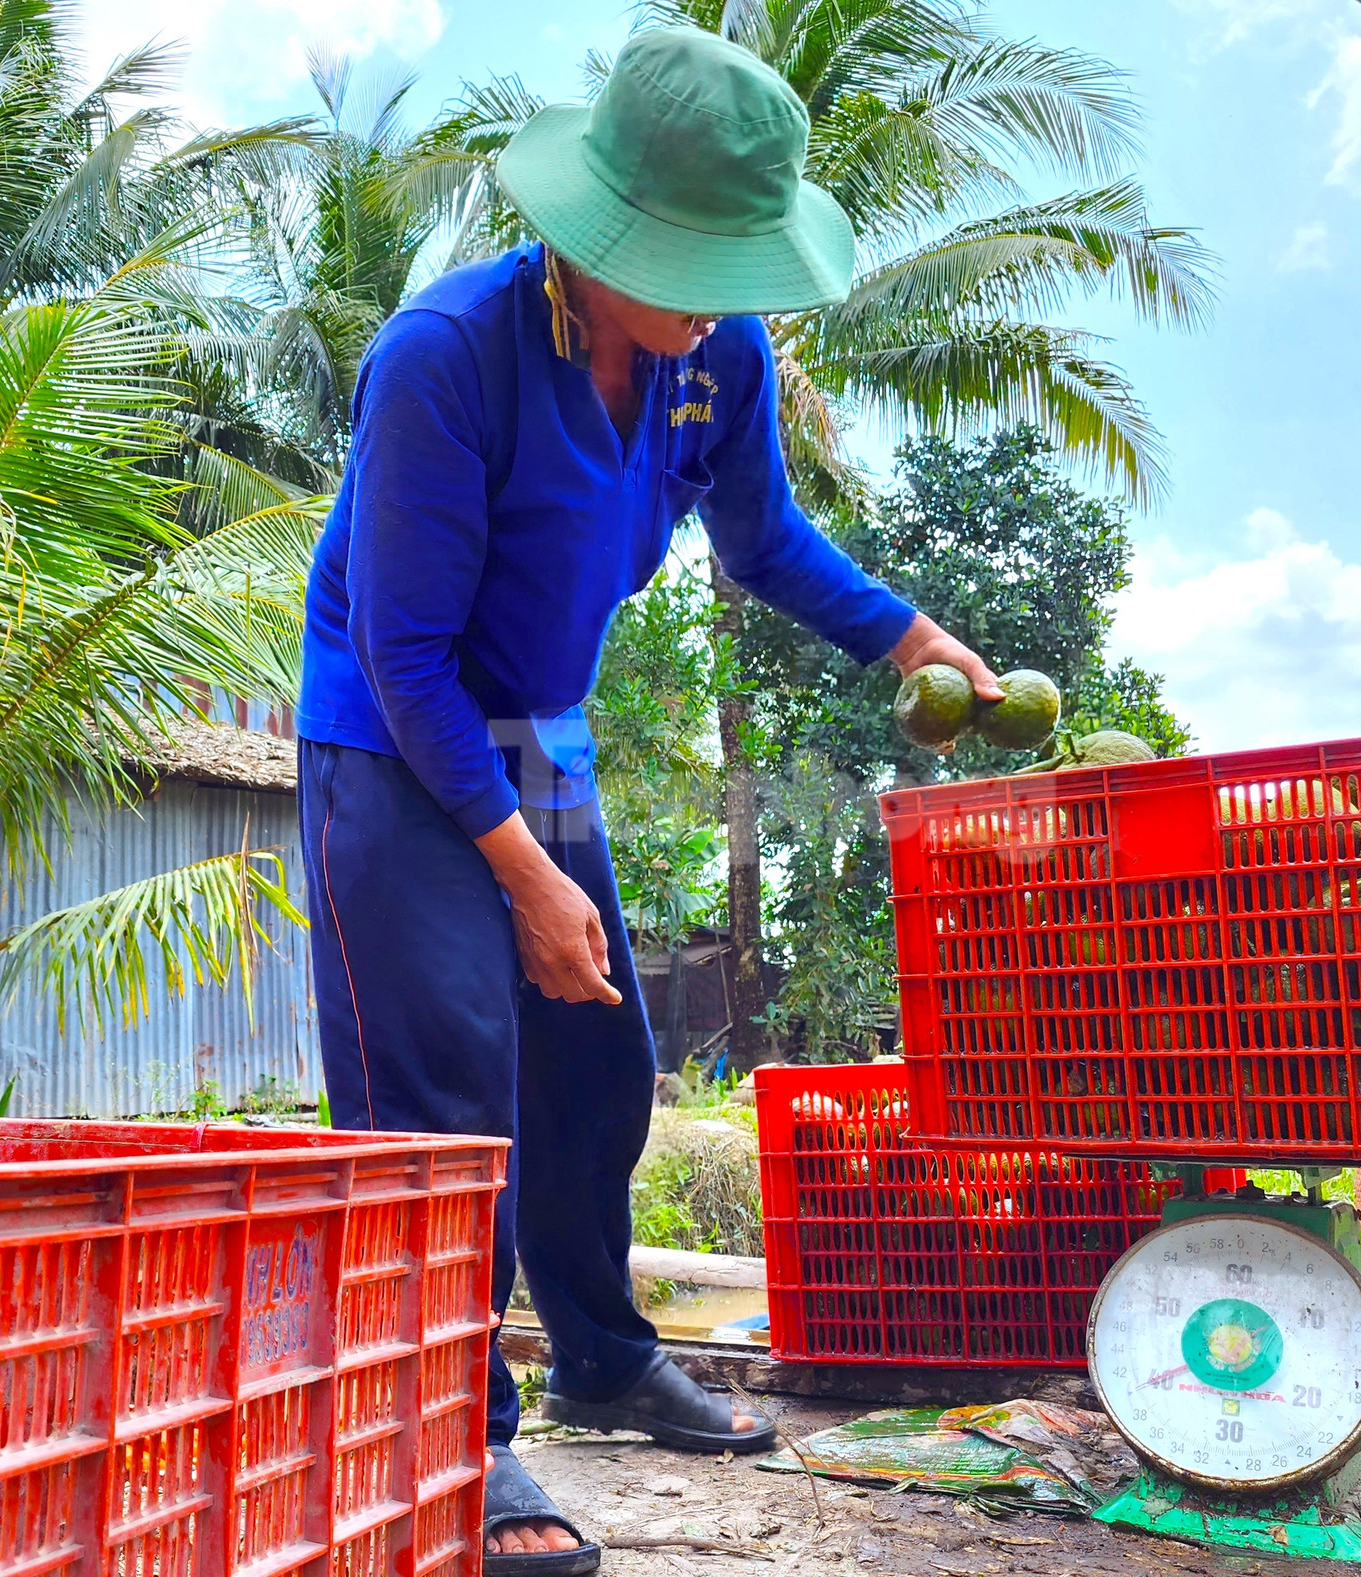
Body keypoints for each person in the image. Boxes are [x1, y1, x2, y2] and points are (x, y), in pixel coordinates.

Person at [295, 27, 1001, 1576]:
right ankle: (448, 1428)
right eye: (695, 261)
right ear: (597, 234)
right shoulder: (443, 359)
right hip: (392, 740)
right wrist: (523, 876)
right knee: (444, 1096)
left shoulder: (713, 360)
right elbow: (406, 659)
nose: (721, 297)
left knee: (595, 1057)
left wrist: (910, 636)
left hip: (536, 738)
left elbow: (764, 541)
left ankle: (604, 1358)